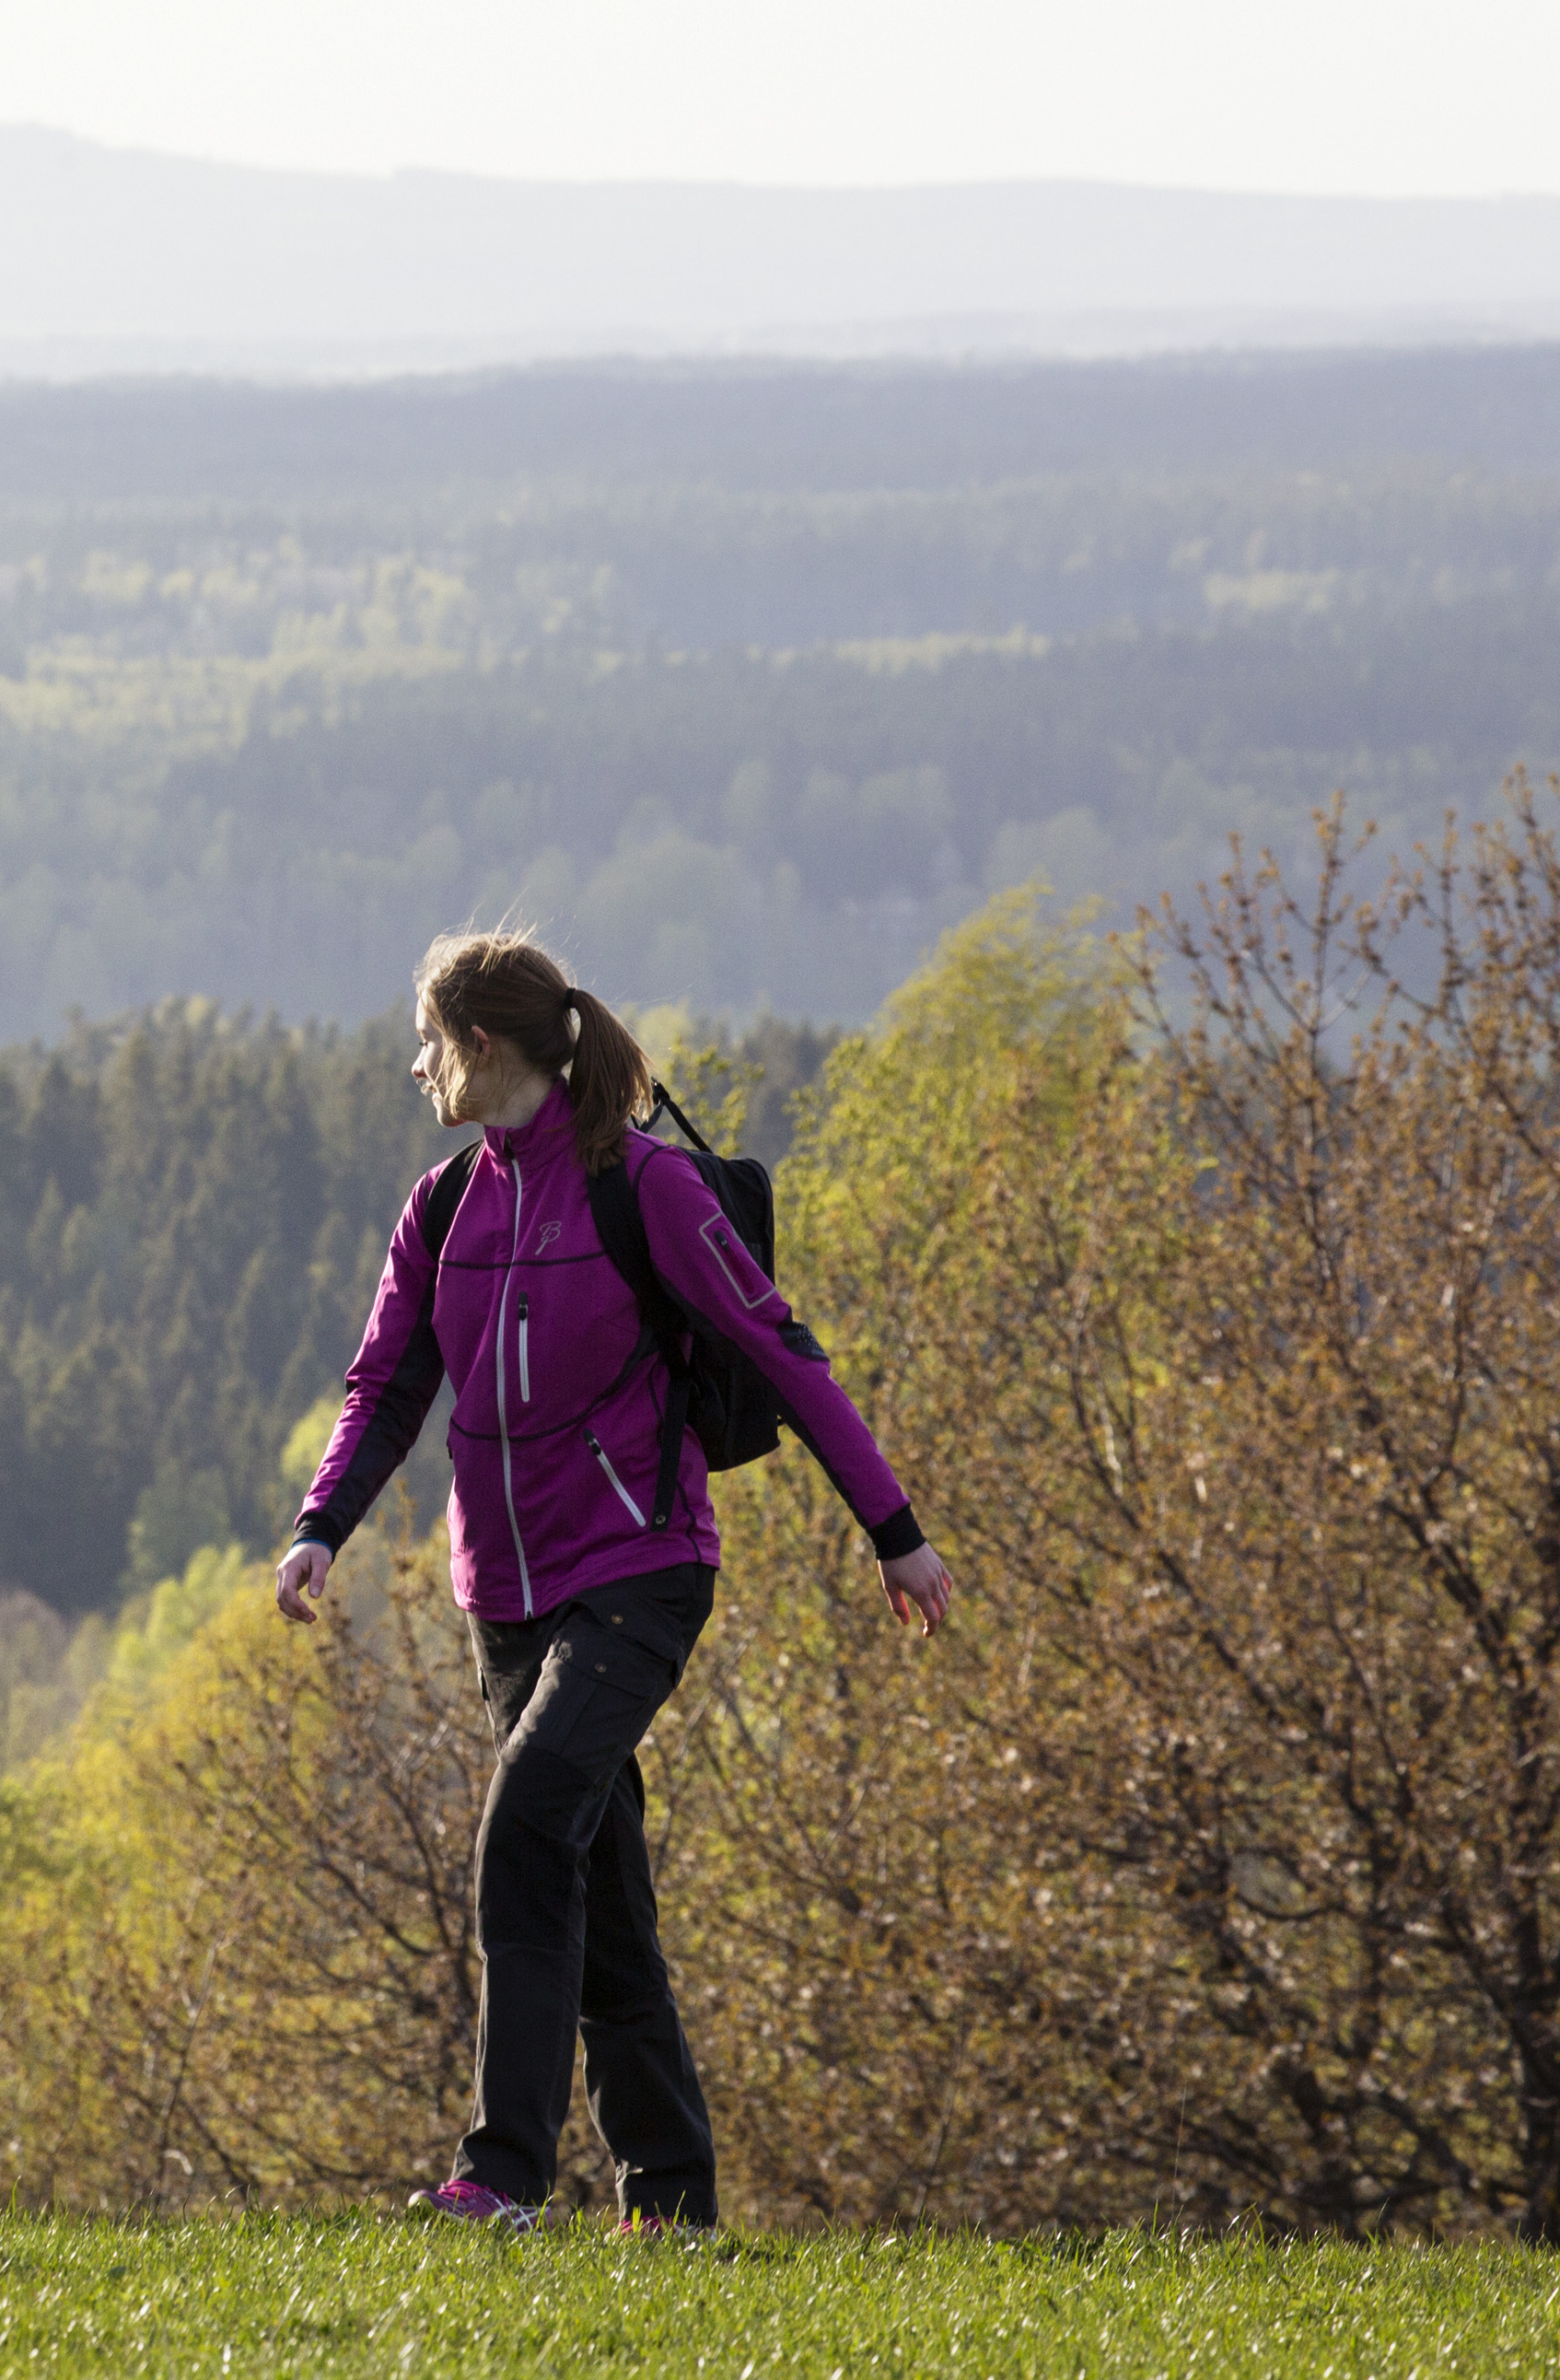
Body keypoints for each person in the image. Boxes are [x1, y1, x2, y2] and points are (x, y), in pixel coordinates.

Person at [275, 929, 953, 2235]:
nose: (416, 1068)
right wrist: (323, 1523)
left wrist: (896, 1529)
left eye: (429, 1044)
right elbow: (386, 1384)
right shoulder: (442, 1209)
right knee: (604, 1895)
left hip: (643, 1569)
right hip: (505, 1600)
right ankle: (674, 2199)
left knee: (528, 1822)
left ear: (483, 1046)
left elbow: (782, 1348)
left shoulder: (643, 1189)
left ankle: (505, 2171)